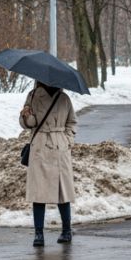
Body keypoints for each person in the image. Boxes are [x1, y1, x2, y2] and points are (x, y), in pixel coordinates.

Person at [20, 80, 77, 247]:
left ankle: (66, 231)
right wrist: (26, 116)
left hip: (60, 148)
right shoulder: (32, 96)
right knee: (39, 193)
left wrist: (67, 140)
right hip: (40, 147)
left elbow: (72, 122)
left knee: (62, 192)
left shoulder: (64, 98)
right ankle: (39, 234)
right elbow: (30, 124)